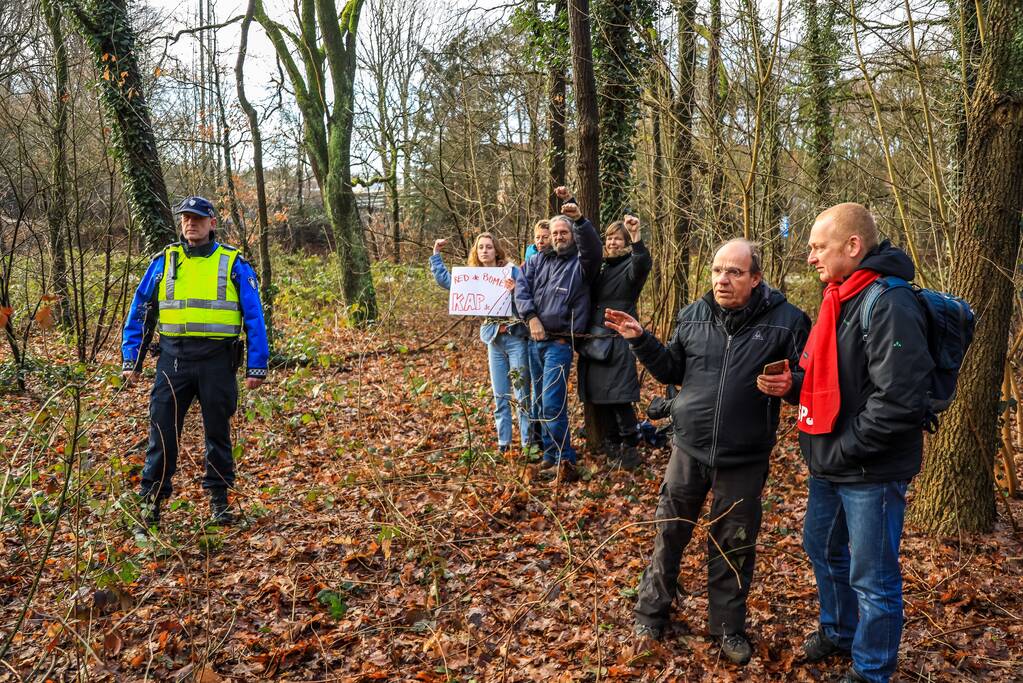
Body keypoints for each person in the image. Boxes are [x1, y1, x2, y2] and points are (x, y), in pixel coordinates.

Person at [605, 239, 811, 665]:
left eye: (734, 272)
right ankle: (651, 613)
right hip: (688, 448)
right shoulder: (693, 314)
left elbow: (807, 383)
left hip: (744, 457)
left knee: (733, 544)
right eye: (717, 270)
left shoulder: (788, 322)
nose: (722, 280)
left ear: (756, 278)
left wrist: (791, 386)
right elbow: (673, 370)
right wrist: (641, 339)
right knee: (669, 533)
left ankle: (727, 627)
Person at [796, 203, 933, 683]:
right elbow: (837, 380)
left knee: (872, 578)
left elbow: (898, 400)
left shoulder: (888, 301)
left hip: (869, 468)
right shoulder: (840, 297)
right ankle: (838, 630)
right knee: (823, 547)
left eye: (818, 247)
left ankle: (872, 670)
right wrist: (793, 385)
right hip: (832, 461)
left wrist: (843, 448)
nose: (810, 257)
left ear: (853, 246)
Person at [121, 196, 269, 530]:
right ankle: (151, 505)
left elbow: (255, 316)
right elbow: (142, 310)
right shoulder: (164, 261)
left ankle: (219, 502)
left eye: (198, 218)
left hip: (218, 361)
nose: (191, 223)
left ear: (212, 222)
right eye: (186, 218)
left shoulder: (233, 263)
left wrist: (257, 365)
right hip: (173, 360)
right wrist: (132, 359)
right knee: (161, 433)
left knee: (217, 433)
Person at [514, 189, 602, 482]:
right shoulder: (538, 261)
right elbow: (521, 289)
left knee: (552, 403)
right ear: (549, 236)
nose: (560, 236)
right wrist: (531, 317)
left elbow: (593, 249)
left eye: (565, 231)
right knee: (539, 404)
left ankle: (565, 459)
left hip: (560, 343)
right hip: (534, 342)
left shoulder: (582, 264)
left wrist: (580, 221)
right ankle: (551, 457)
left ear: (572, 235)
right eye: (556, 232)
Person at [431, 232, 531, 452]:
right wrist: (436, 256)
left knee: (522, 394)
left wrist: (516, 290)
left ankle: (527, 444)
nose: (485, 251)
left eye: (489, 247)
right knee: (500, 395)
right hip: (494, 340)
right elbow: (448, 282)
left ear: (496, 250)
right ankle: (504, 443)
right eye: (481, 247)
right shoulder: (473, 276)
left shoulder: (511, 271)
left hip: (516, 338)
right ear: (476, 252)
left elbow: (529, 294)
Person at [577, 214, 652, 469]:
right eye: (609, 238)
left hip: (619, 338)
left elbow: (642, 264)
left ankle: (631, 445)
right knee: (600, 397)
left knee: (620, 397)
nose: (613, 242)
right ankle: (610, 445)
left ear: (626, 242)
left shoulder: (631, 265)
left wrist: (637, 238)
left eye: (618, 239)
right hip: (596, 339)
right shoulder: (601, 266)